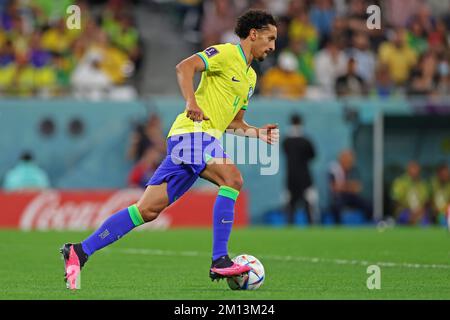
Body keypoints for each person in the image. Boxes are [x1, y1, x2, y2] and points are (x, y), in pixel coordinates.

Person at [60, 9, 279, 290]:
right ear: (253, 34)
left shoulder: (250, 79)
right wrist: (191, 101)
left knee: (147, 211)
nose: (272, 46)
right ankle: (220, 259)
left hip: (203, 139)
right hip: (191, 134)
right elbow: (184, 67)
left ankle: (79, 251)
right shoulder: (225, 54)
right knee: (233, 179)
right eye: (270, 38)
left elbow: (233, 122)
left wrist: (256, 132)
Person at [282, 114, 316, 225]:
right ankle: (311, 225)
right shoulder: (306, 141)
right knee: (308, 203)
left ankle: (290, 225)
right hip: (305, 177)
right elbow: (313, 155)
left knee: (291, 204)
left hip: (290, 177)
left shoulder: (286, 141)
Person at [328, 149, 372, 224]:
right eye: (346, 159)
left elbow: (358, 188)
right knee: (336, 206)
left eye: (350, 160)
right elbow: (334, 188)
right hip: (339, 197)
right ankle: (338, 227)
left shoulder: (354, 170)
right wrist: (349, 186)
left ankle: (368, 224)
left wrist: (343, 186)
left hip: (352, 197)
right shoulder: (333, 170)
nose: (348, 162)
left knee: (368, 205)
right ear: (341, 159)